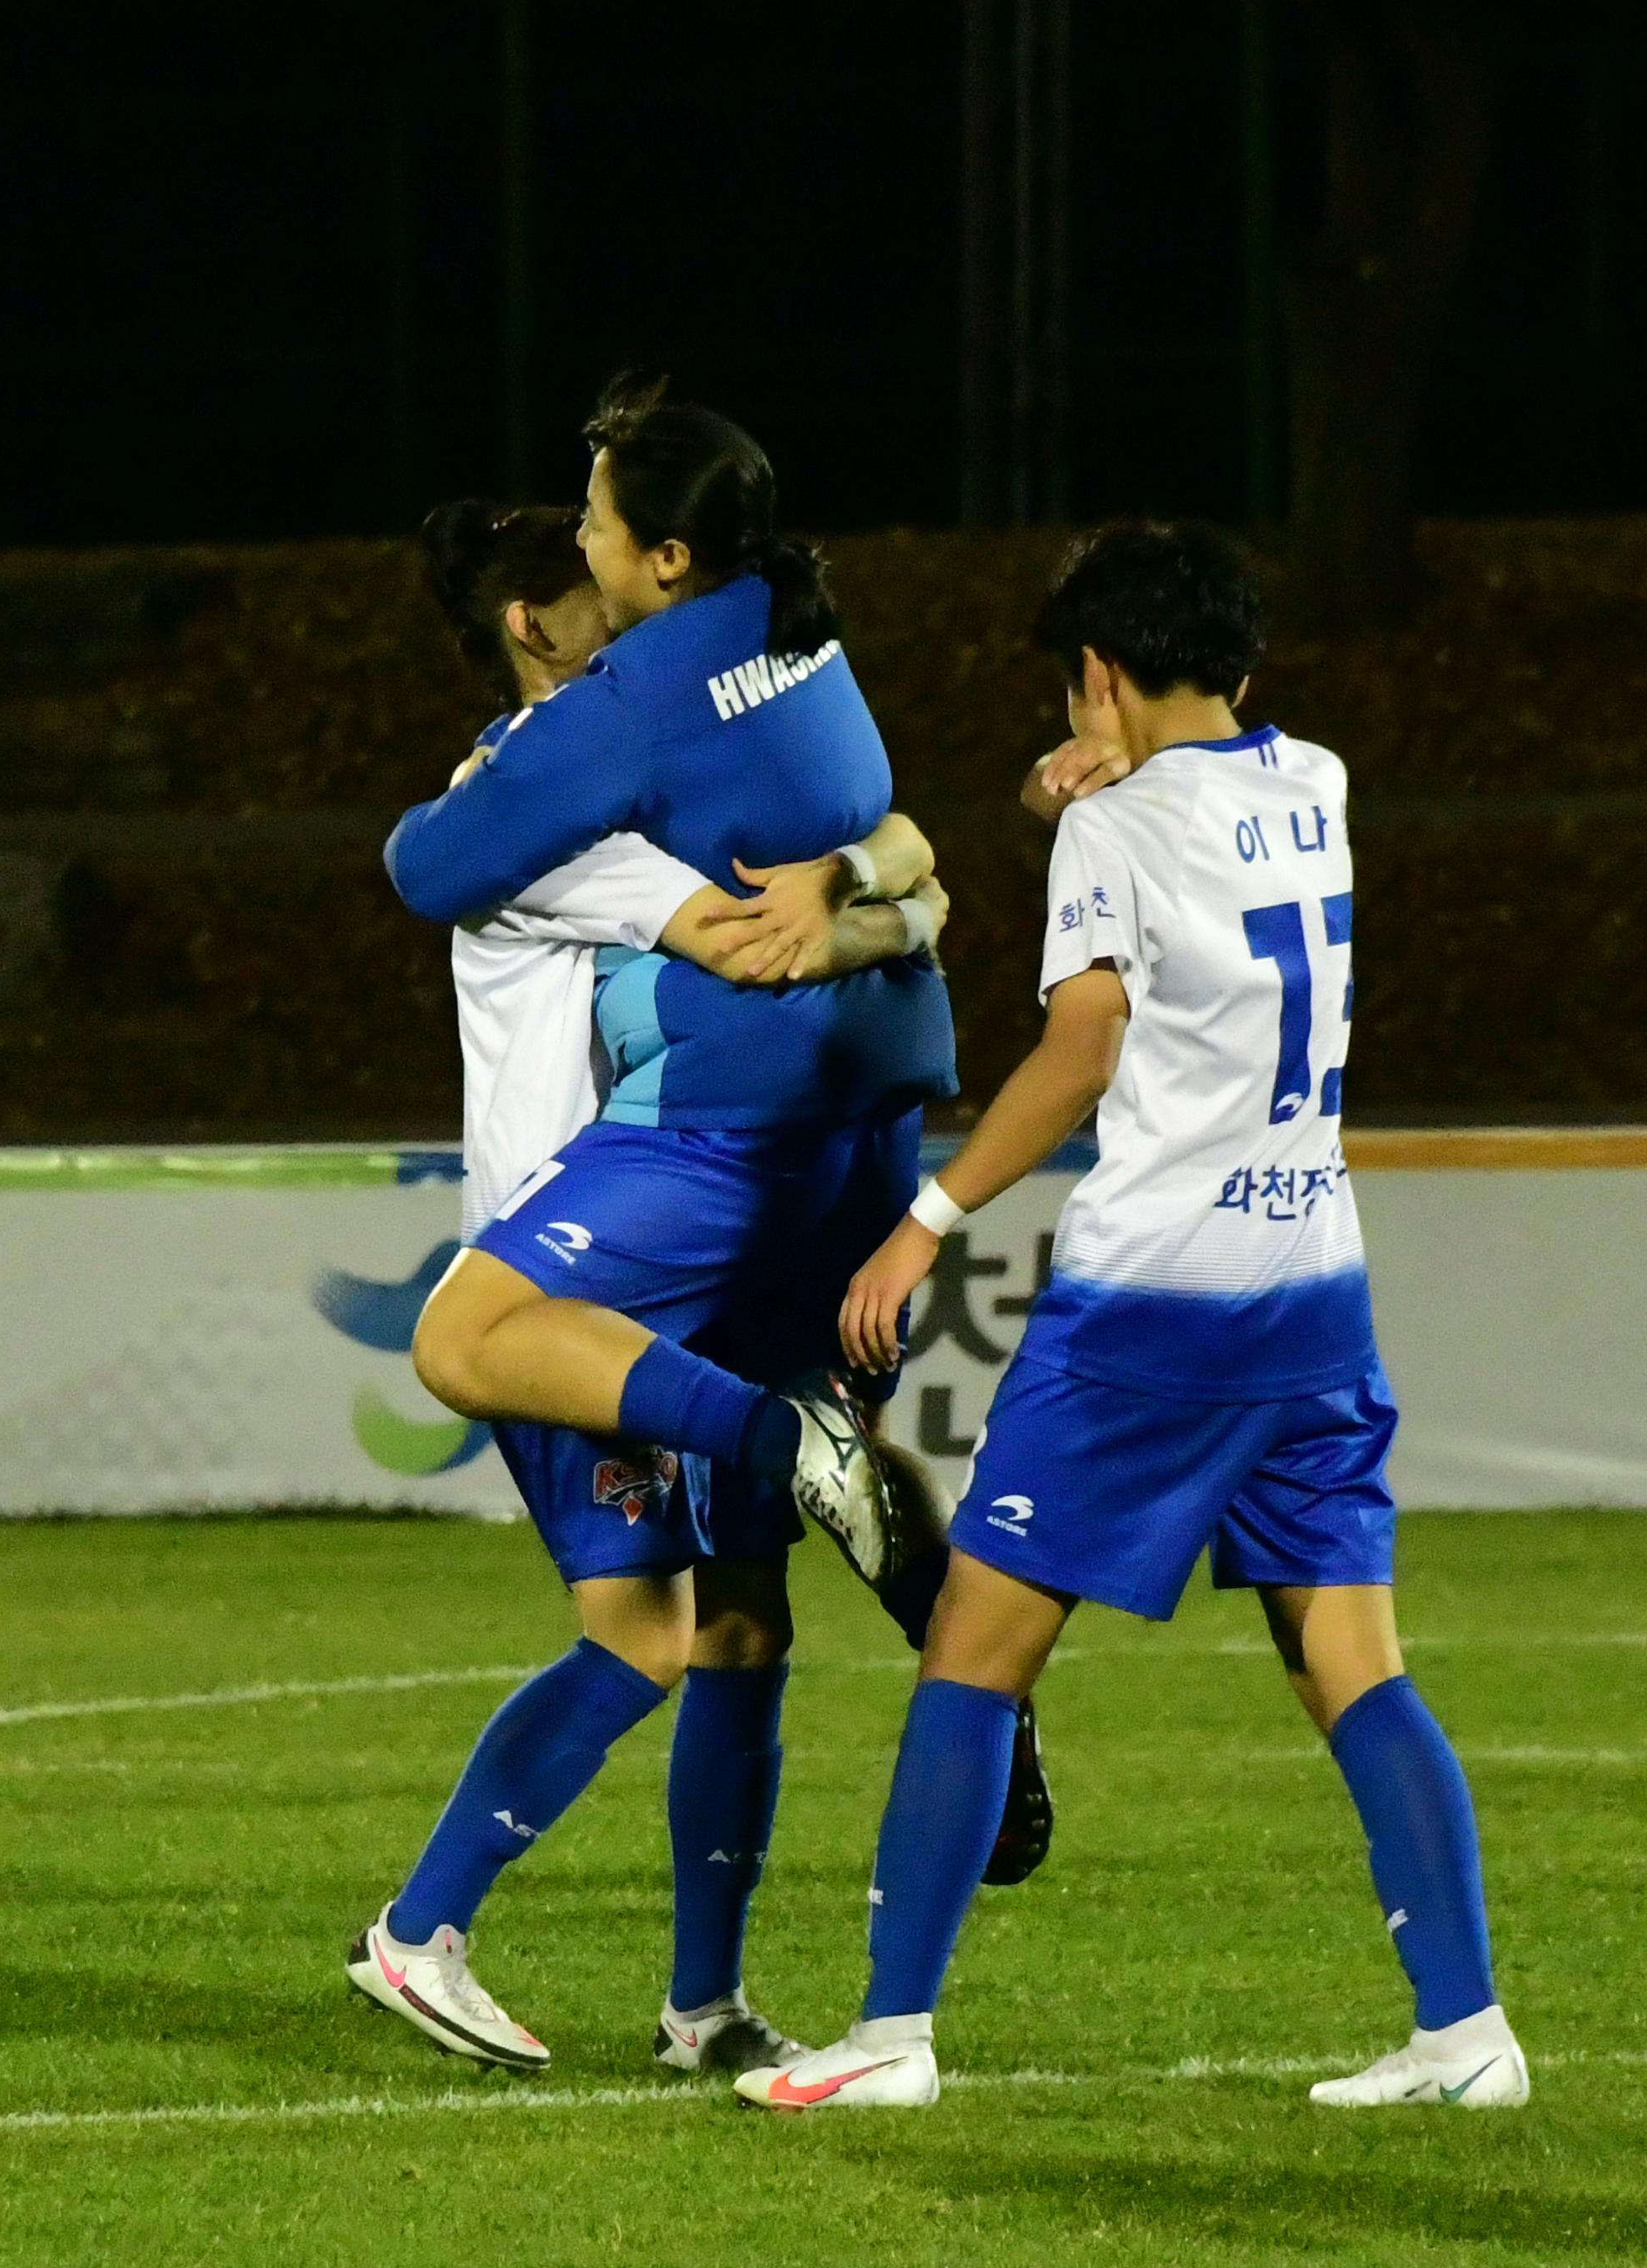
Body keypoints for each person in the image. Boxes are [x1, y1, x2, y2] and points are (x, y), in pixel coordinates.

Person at [735, 522, 1518, 2118]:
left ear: (1096, 674)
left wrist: (924, 1223)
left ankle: (888, 2037)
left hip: (1153, 1305)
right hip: (1311, 1284)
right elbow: (1191, 820)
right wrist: (1085, 781)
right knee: (1348, 1661)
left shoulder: (1115, 836)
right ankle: (1466, 2032)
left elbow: (1083, 1044)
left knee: (972, 1652)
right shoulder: (1322, 781)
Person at [351, 383, 970, 2055]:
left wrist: (891, 863)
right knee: (643, 1632)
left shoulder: (607, 772)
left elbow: (805, 872)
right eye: (587, 566)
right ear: (532, 623)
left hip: (675, 1246)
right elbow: (737, 932)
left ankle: (704, 2003)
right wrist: (888, 895)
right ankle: (420, 1927)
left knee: (742, 1625)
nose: (610, 580)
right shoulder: (544, 815)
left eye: (610, 534)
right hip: (578, 1273)